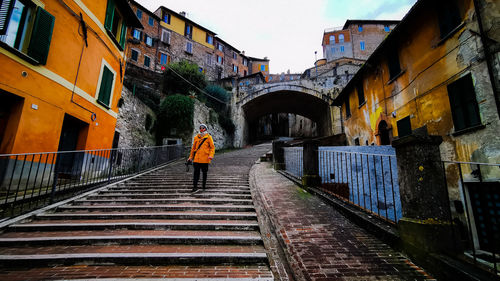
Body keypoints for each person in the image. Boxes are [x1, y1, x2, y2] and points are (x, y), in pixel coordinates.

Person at [188, 124, 215, 192]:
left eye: (203, 128)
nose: (201, 129)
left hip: (205, 159)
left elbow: (212, 147)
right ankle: (195, 187)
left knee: (204, 173)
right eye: (200, 128)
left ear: (205, 129)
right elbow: (193, 148)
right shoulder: (196, 137)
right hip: (197, 159)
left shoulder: (209, 137)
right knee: (196, 173)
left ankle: (203, 185)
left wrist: (211, 155)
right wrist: (190, 157)